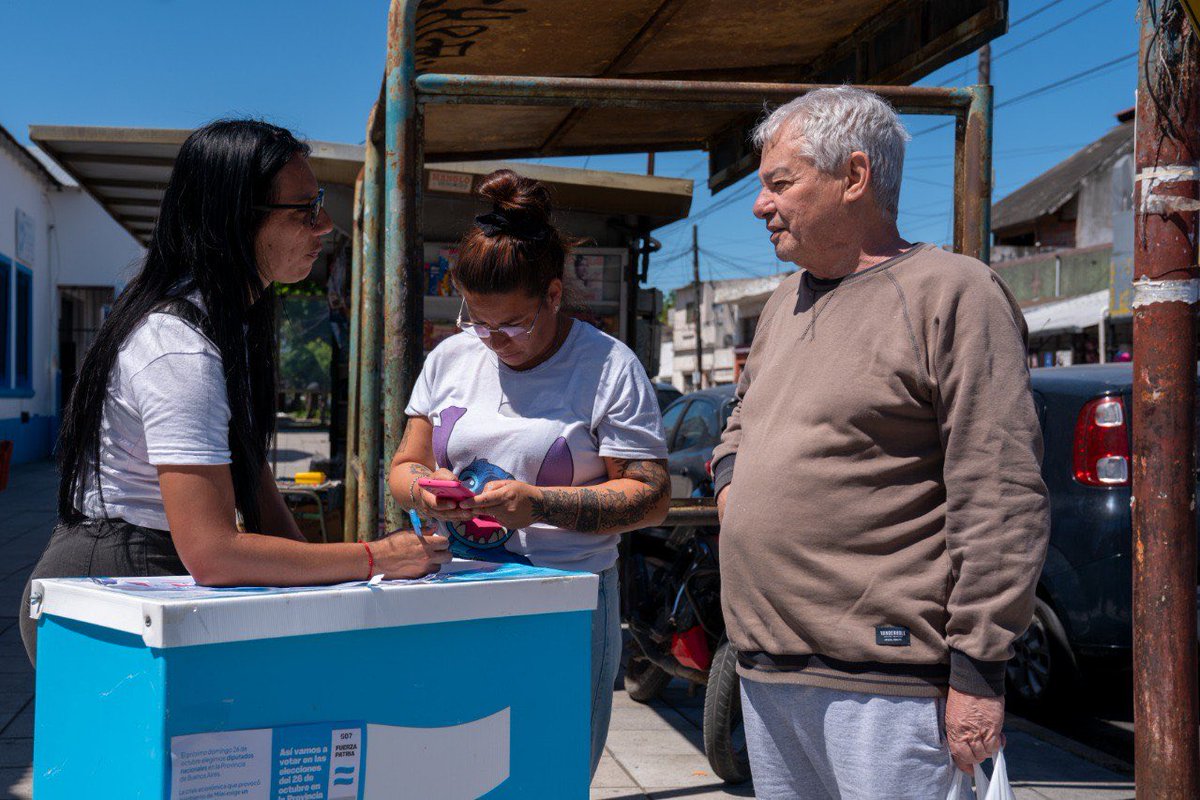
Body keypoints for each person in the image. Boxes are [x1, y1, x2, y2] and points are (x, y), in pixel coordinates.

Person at [710, 87, 1051, 798]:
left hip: (890, 687)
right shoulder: (784, 300)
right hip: (768, 668)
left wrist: (979, 672)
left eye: (780, 183)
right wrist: (733, 484)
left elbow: (1000, 491)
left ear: (855, 177)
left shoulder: (954, 293)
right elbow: (739, 418)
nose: (759, 205)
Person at [20, 120, 450, 665]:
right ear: (235, 221)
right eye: (303, 209)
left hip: (151, 576)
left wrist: (324, 584)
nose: (324, 225)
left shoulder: (231, 323)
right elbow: (213, 553)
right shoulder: (178, 346)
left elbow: (252, 477)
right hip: (112, 585)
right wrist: (375, 556)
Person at [387, 169, 670, 776]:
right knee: (451, 769)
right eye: (477, 321)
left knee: (549, 768)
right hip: (453, 590)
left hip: (561, 603)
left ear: (553, 294)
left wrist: (538, 503)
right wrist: (427, 493)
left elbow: (650, 497)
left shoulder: (607, 366)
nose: (494, 342)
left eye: (512, 325)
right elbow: (405, 465)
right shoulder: (449, 358)